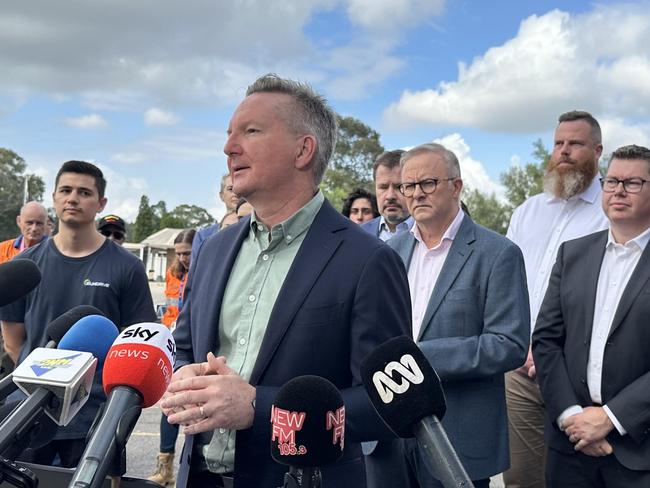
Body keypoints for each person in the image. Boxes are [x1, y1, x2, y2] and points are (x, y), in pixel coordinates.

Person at [160, 74, 411, 488]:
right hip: (200, 478)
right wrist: (184, 375)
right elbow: (184, 348)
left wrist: (259, 408)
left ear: (303, 150)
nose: (228, 147)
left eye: (251, 131)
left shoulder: (368, 260)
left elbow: (386, 404)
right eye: (229, 134)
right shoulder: (215, 249)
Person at [383, 143, 529, 488]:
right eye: (408, 186)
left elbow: (508, 344)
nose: (416, 194)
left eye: (428, 183)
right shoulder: (389, 252)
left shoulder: (498, 253)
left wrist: (420, 356)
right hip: (388, 432)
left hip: (458, 433)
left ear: (457, 186)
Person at [0, 160, 156, 467]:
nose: (73, 198)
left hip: (95, 423)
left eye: (84, 192)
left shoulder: (127, 267)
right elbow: (13, 341)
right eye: (66, 190)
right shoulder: (27, 265)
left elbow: (138, 346)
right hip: (28, 417)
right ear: (54, 197)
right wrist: (48, 388)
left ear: (101, 203)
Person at [533, 144, 650, 487]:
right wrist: (572, 417)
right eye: (612, 181)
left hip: (639, 449)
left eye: (633, 183)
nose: (618, 191)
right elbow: (546, 340)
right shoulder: (573, 253)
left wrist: (611, 418)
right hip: (570, 447)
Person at [504, 110, 608, 488]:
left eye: (575, 144)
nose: (564, 151)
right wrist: (517, 342)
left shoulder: (613, 212)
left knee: (578, 476)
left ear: (597, 150)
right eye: (558, 143)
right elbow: (508, 285)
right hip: (519, 369)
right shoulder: (527, 211)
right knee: (521, 478)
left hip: (577, 370)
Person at [150, 229, 196, 487]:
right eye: (179, 253)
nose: (183, 258)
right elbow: (169, 308)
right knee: (170, 405)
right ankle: (164, 465)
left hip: (192, 344)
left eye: (187, 253)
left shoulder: (204, 269)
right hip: (172, 342)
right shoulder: (173, 273)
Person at [0, 201, 49, 381]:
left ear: (46, 224)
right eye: (29, 223)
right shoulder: (3, 249)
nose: (34, 228)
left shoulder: (54, 254)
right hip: (6, 327)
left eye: (39, 223)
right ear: (19, 221)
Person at [362, 150, 413, 240]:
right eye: (383, 187)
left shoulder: (433, 233)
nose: (390, 196)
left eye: (398, 187)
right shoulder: (359, 234)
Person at [191, 174, 240, 255]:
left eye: (239, 188)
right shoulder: (203, 236)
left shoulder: (258, 230)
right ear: (221, 195)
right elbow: (196, 266)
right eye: (230, 189)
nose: (235, 193)